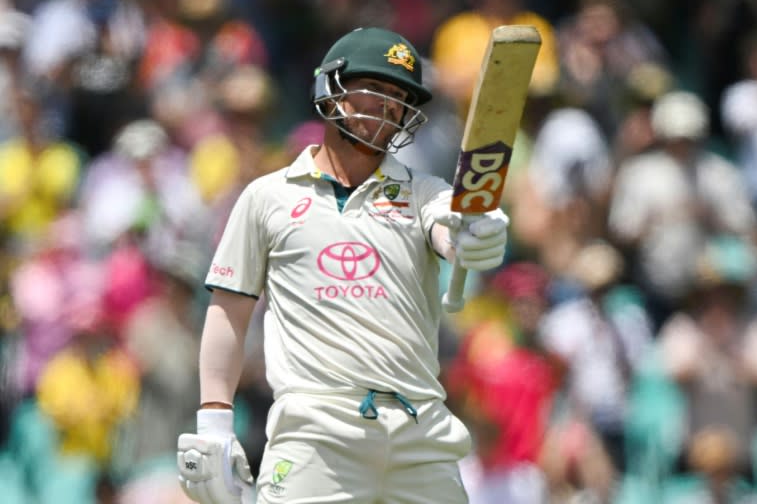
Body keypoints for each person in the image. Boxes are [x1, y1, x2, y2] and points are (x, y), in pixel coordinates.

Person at [176, 26, 509, 504]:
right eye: (375, 90)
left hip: (421, 432)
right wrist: (213, 422)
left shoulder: (423, 191)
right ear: (330, 88)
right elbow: (229, 310)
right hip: (316, 432)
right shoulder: (267, 197)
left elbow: (450, 228)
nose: (389, 107)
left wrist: (475, 232)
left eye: (399, 98)